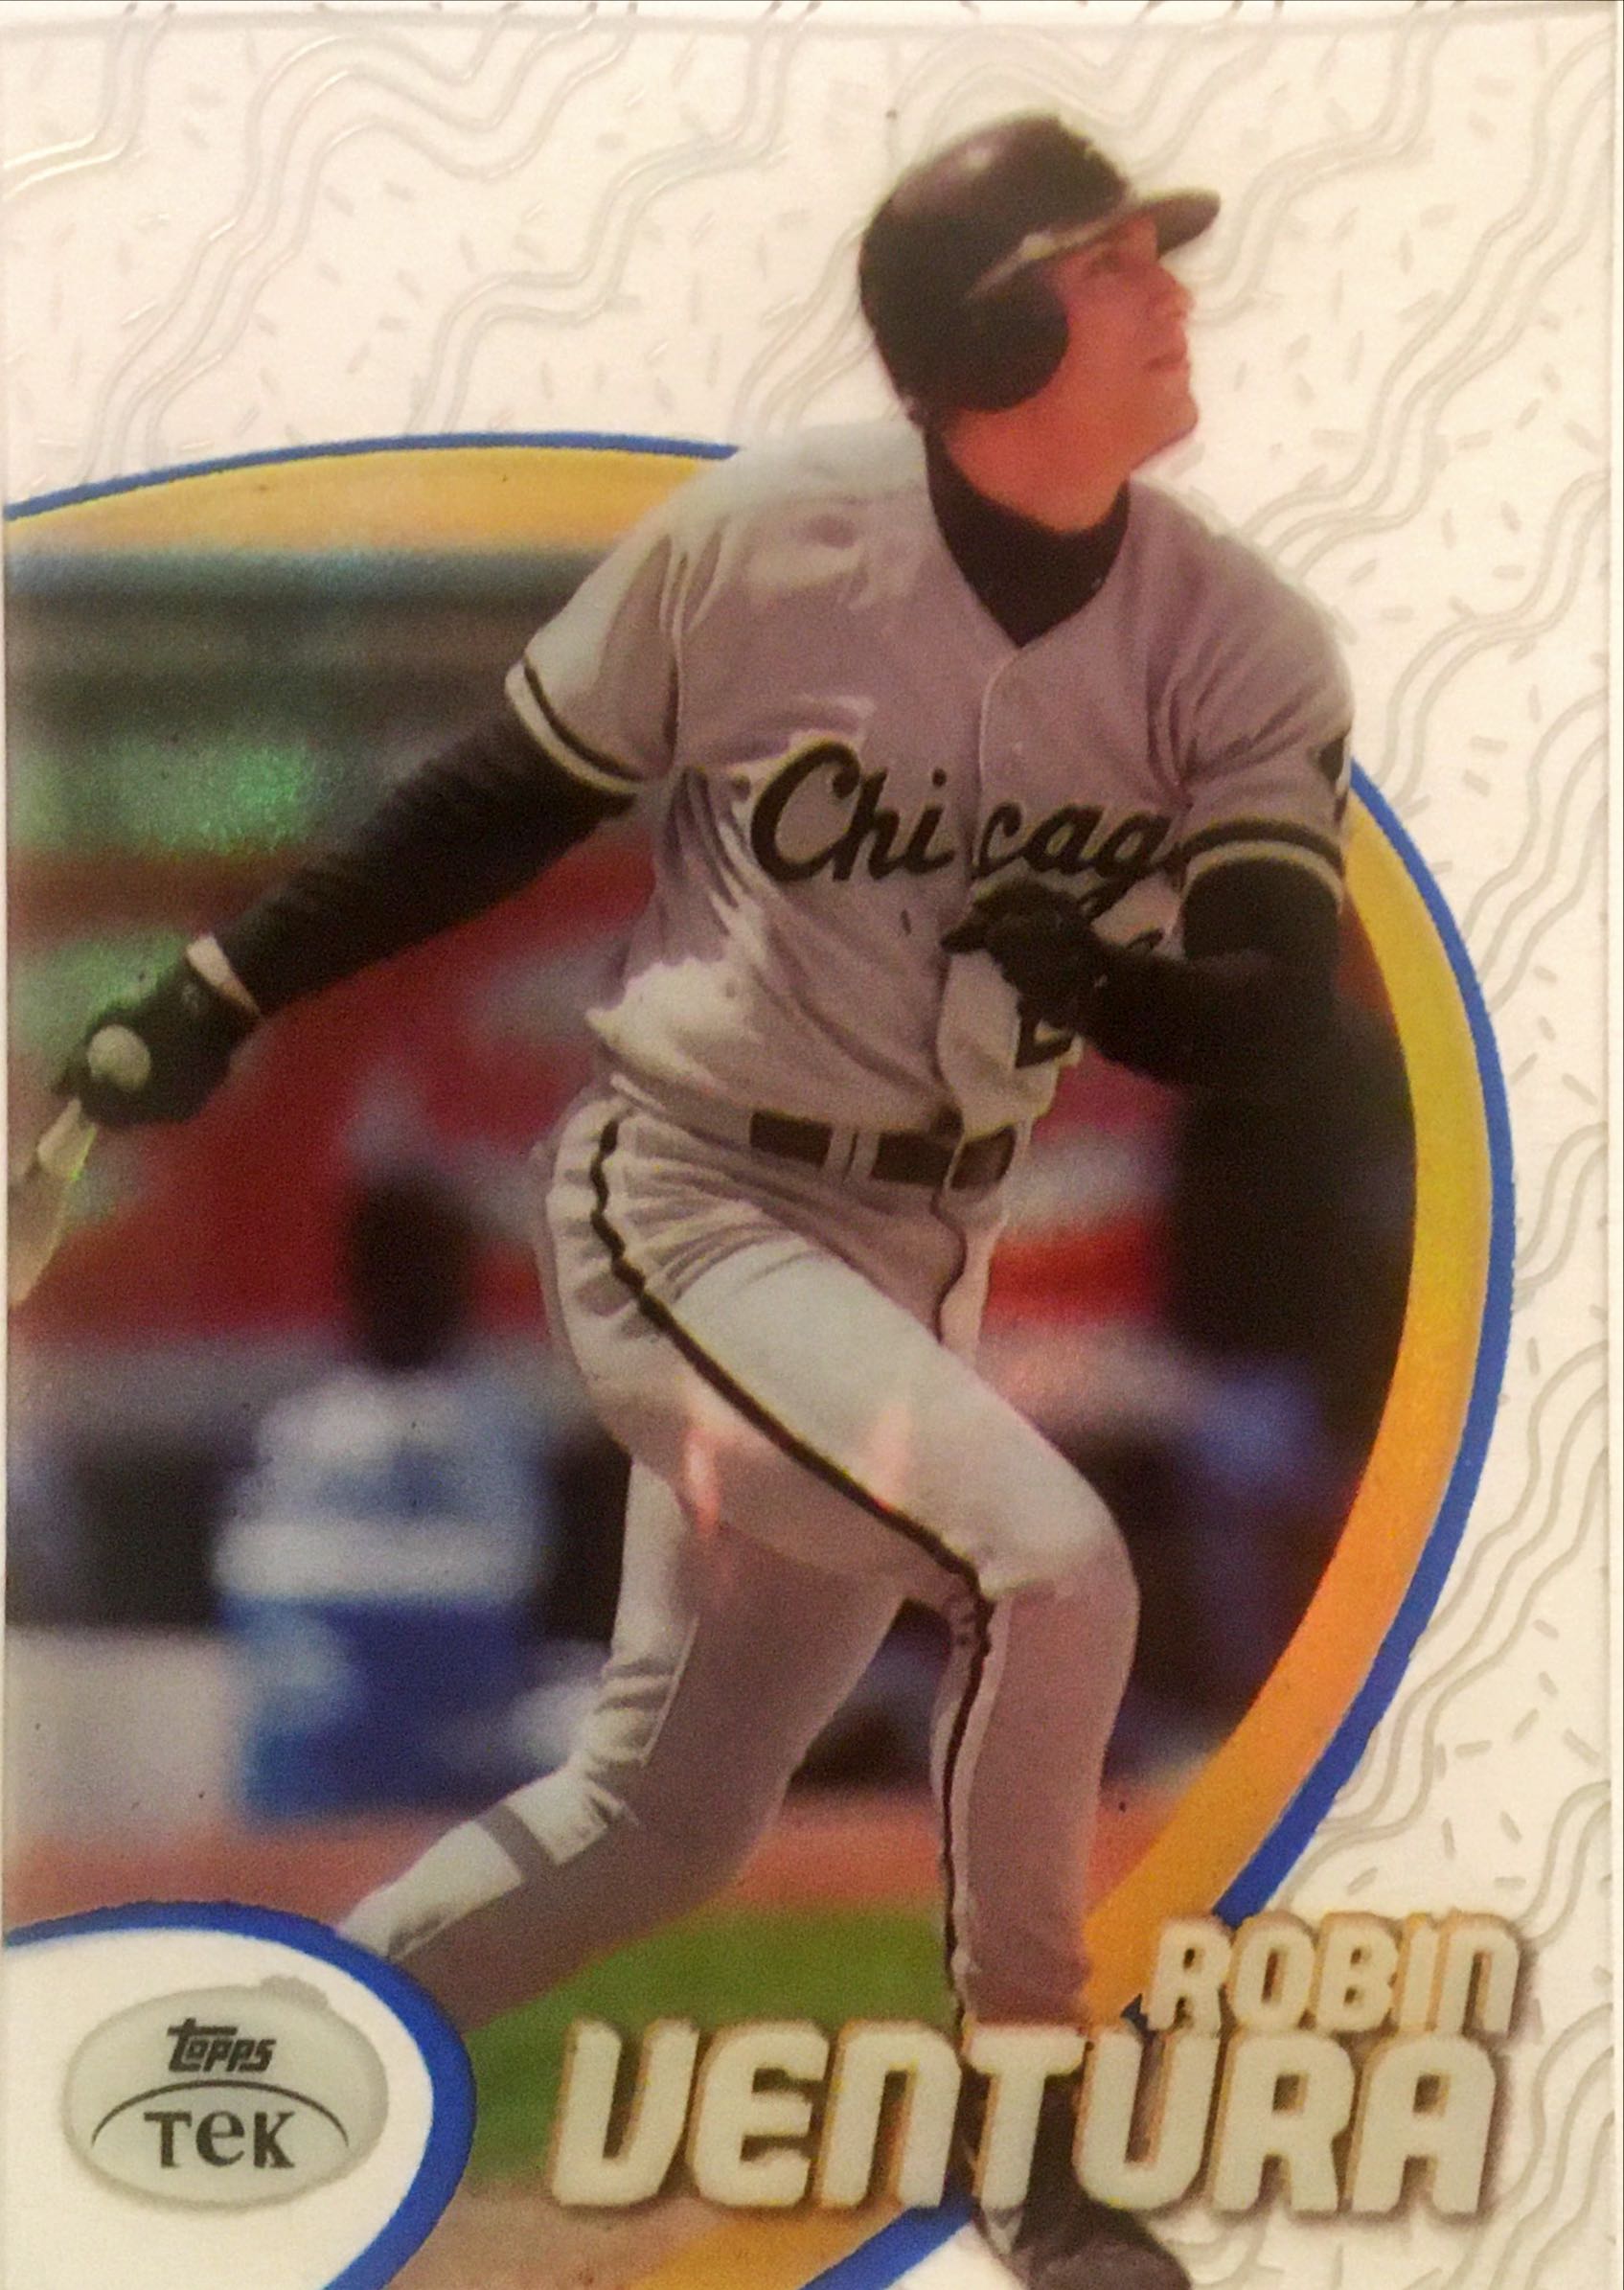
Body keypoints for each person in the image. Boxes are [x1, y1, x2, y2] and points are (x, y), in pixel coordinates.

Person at [57, 114, 1354, 2290]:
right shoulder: (767, 541)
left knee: (661, 1820)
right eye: (1115, 263)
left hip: (914, 1259)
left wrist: (1130, 988)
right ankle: (1035, 2147)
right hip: (691, 1197)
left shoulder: (1235, 633)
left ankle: (239, 2101)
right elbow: (493, 803)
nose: (1172, 292)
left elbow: (1274, 1005)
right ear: (992, 333)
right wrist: (220, 986)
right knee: (1052, 1567)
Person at [214, 1171, 550, 1818]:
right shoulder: (308, 1420)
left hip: (448, 1762)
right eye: (392, 1270)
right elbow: (253, 1582)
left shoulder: (487, 1417)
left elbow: (513, 1570)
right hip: (315, 1774)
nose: (411, 1293)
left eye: (428, 1271)